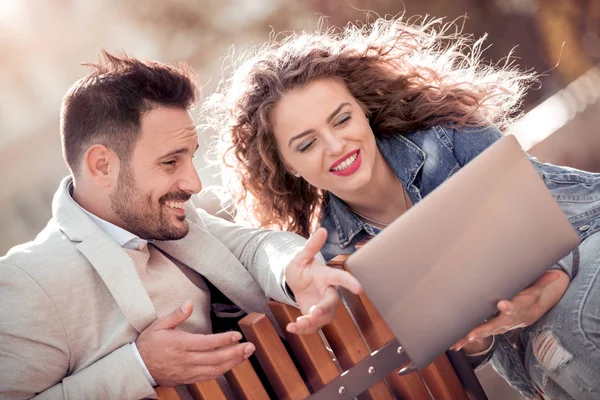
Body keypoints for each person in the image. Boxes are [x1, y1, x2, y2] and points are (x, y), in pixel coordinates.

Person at [208, 16, 600, 400]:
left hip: (588, 242)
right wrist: (472, 342)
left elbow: (553, 212)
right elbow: (462, 355)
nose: (335, 146)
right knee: (550, 360)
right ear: (288, 165)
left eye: (341, 119)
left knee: (567, 331)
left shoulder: (449, 138)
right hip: (527, 338)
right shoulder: (333, 259)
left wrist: (553, 282)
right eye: (306, 144)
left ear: (362, 109)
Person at [0, 51, 362, 400]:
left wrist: (293, 271)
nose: (194, 183)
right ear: (102, 166)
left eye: (190, 157)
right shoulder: (27, 280)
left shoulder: (168, 218)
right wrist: (140, 367)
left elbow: (254, 247)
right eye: (171, 162)